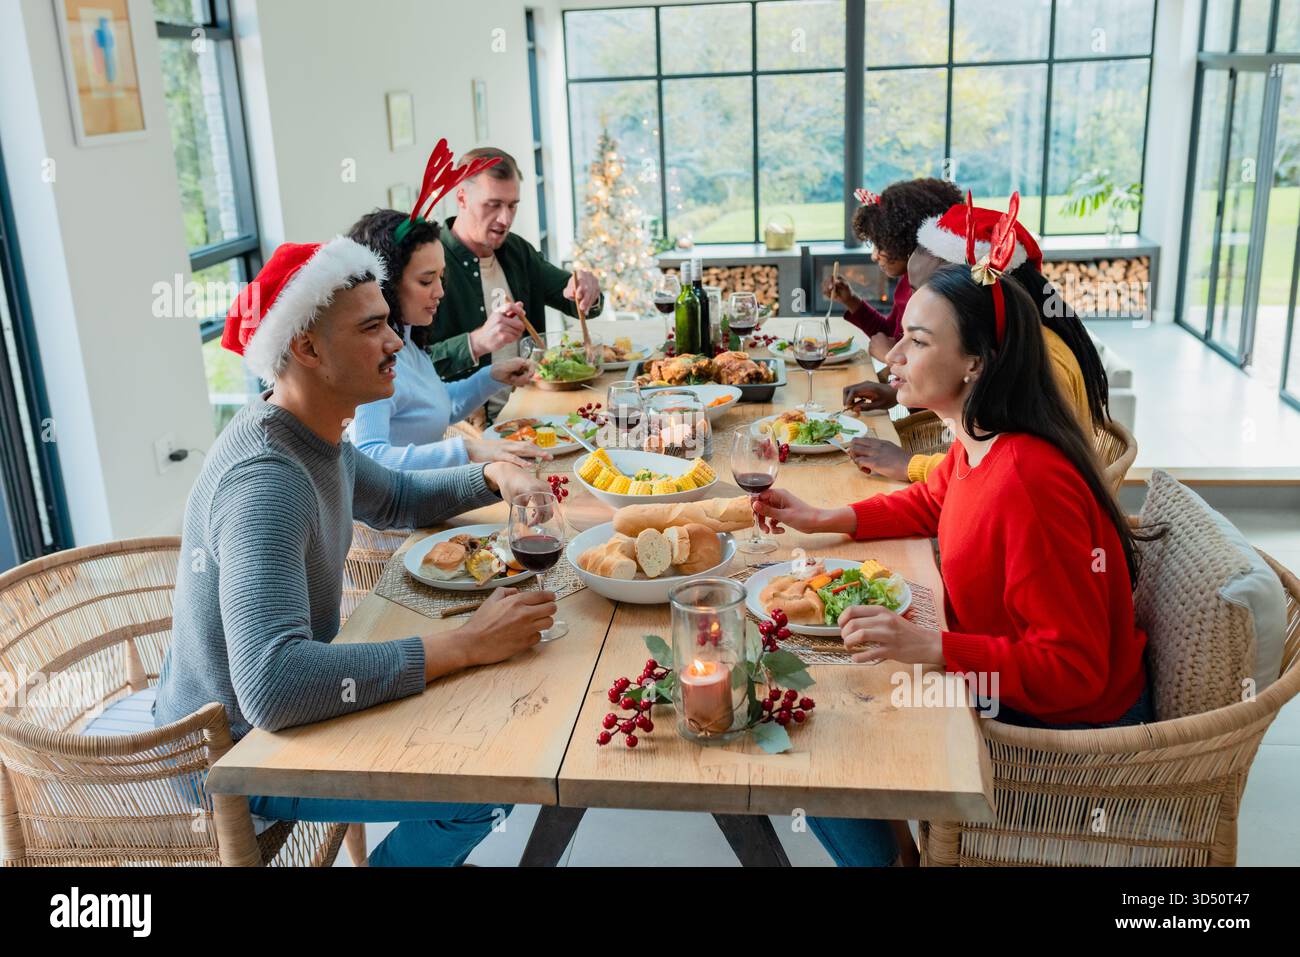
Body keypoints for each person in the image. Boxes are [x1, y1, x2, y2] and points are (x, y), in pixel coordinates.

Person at [154, 236, 556, 866]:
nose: (396, 343)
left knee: (491, 727)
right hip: (237, 752)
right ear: (306, 347)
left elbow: (394, 498)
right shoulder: (267, 481)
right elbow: (273, 687)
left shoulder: (313, 428)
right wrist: (467, 645)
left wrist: (492, 475)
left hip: (284, 708)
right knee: (484, 787)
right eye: (372, 328)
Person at [753, 247, 1155, 866]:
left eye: (915, 341)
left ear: (975, 362)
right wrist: (821, 517)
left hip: (1064, 737)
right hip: (1007, 684)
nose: (892, 356)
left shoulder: (1027, 481)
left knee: (809, 730)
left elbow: (1076, 670)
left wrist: (936, 649)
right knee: (818, 684)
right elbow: (931, 503)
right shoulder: (978, 440)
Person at [844, 194, 1110, 483]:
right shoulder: (1002, 341)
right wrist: (897, 393)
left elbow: (1008, 474)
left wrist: (911, 464)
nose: (919, 302)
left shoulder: (1038, 362)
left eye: (932, 291)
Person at [345, 206, 550, 469]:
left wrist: (491, 377)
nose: (440, 291)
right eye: (426, 281)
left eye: (441, 277)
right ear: (387, 283)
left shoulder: (408, 342)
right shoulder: (372, 363)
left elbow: (437, 405)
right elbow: (369, 459)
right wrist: (465, 449)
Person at [425, 146, 603, 421]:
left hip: (534, 412)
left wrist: (586, 288)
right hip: (467, 427)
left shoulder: (516, 250)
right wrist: (476, 342)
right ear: (462, 198)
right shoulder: (430, 262)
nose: (505, 219)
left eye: (512, 205)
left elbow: (577, 301)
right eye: (493, 204)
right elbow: (411, 370)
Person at [823, 179, 963, 360]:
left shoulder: (939, 295)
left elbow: (933, 367)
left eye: (881, 245)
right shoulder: (908, 280)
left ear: (908, 241)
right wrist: (851, 300)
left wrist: (890, 357)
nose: (874, 256)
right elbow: (893, 334)